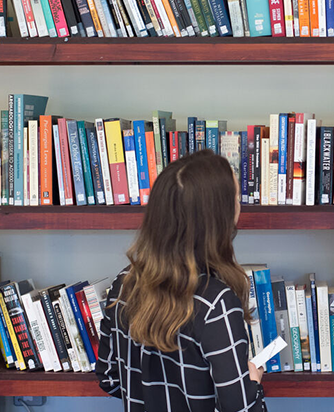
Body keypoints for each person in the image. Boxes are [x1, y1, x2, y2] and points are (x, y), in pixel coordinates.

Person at [95, 149, 266, 412]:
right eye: (235, 198)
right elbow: (240, 409)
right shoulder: (216, 303)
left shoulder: (124, 284)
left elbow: (109, 378)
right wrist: (253, 383)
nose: (239, 205)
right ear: (219, 219)